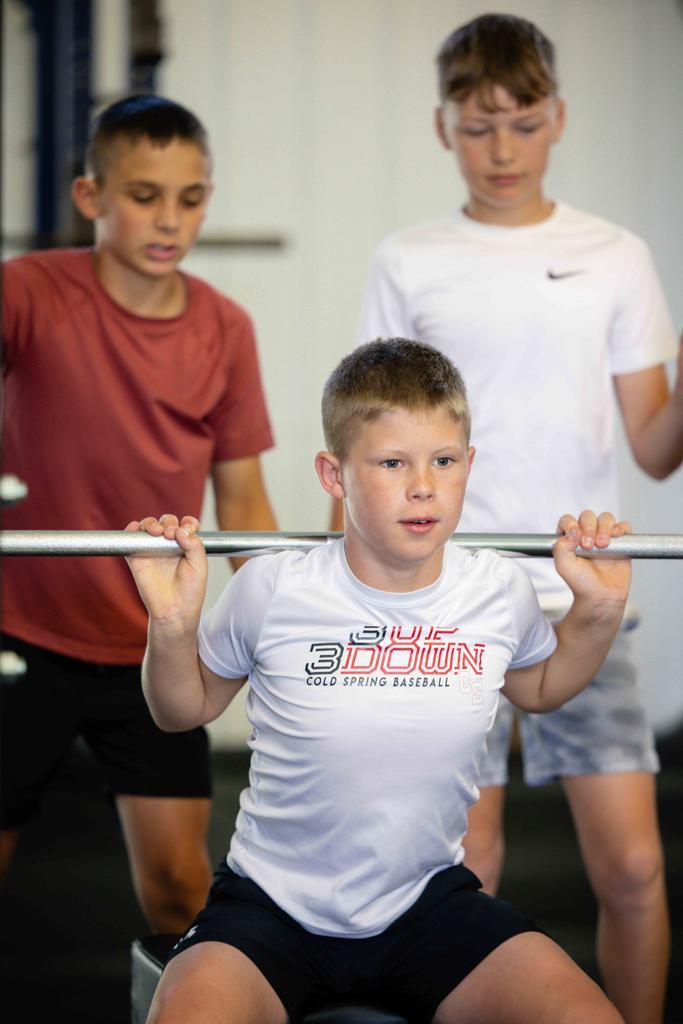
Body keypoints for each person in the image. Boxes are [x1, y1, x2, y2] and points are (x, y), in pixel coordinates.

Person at [125, 338, 628, 1024]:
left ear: (469, 464)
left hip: (426, 905)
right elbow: (180, 711)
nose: (423, 486)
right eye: (393, 463)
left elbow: (541, 688)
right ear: (333, 475)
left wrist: (596, 613)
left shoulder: (496, 589)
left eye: (444, 461)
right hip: (271, 911)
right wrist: (171, 625)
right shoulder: (273, 586)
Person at [353, 15, 683, 1024]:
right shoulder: (408, 258)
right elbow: (369, 440)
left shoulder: (614, 255)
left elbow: (654, 446)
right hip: (450, 597)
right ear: (441, 127)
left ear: (558, 120)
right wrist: (364, 596)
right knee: (467, 864)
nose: (502, 149)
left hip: (584, 593)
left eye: (523, 124)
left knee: (631, 867)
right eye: (477, 126)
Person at [0, 95, 277, 933]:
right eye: (145, 195)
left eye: (189, 199)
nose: (169, 219)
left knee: (180, 892)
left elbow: (243, 498)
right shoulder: (26, 293)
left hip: (152, 648)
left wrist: (295, 622)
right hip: (19, 637)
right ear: (91, 196)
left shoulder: (226, 329)